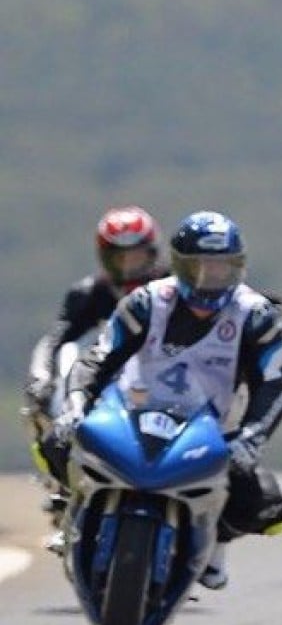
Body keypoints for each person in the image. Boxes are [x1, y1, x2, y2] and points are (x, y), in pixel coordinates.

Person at [52, 210, 282, 589]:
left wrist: (252, 437)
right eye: (197, 268)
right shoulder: (146, 302)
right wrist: (75, 405)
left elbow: (275, 385)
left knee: (264, 505)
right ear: (177, 267)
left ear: (238, 268)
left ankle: (211, 539)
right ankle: (75, 513)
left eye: (220, 269)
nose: (208, 280)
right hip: (130, 410)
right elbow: (96, 359)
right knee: (57, 441)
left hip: (210, 426)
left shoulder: (255, 315)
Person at [24, 206, 167, 533]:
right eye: (120, 257)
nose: (130, 266)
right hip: (105, 377)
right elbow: (56, 339)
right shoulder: (89, 294)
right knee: (45, 404)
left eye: (138, 256)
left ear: (153, 253)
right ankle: (61, 484)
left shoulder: (171, 290)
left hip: (162, 379)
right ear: (105, 258)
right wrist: (41, 378)